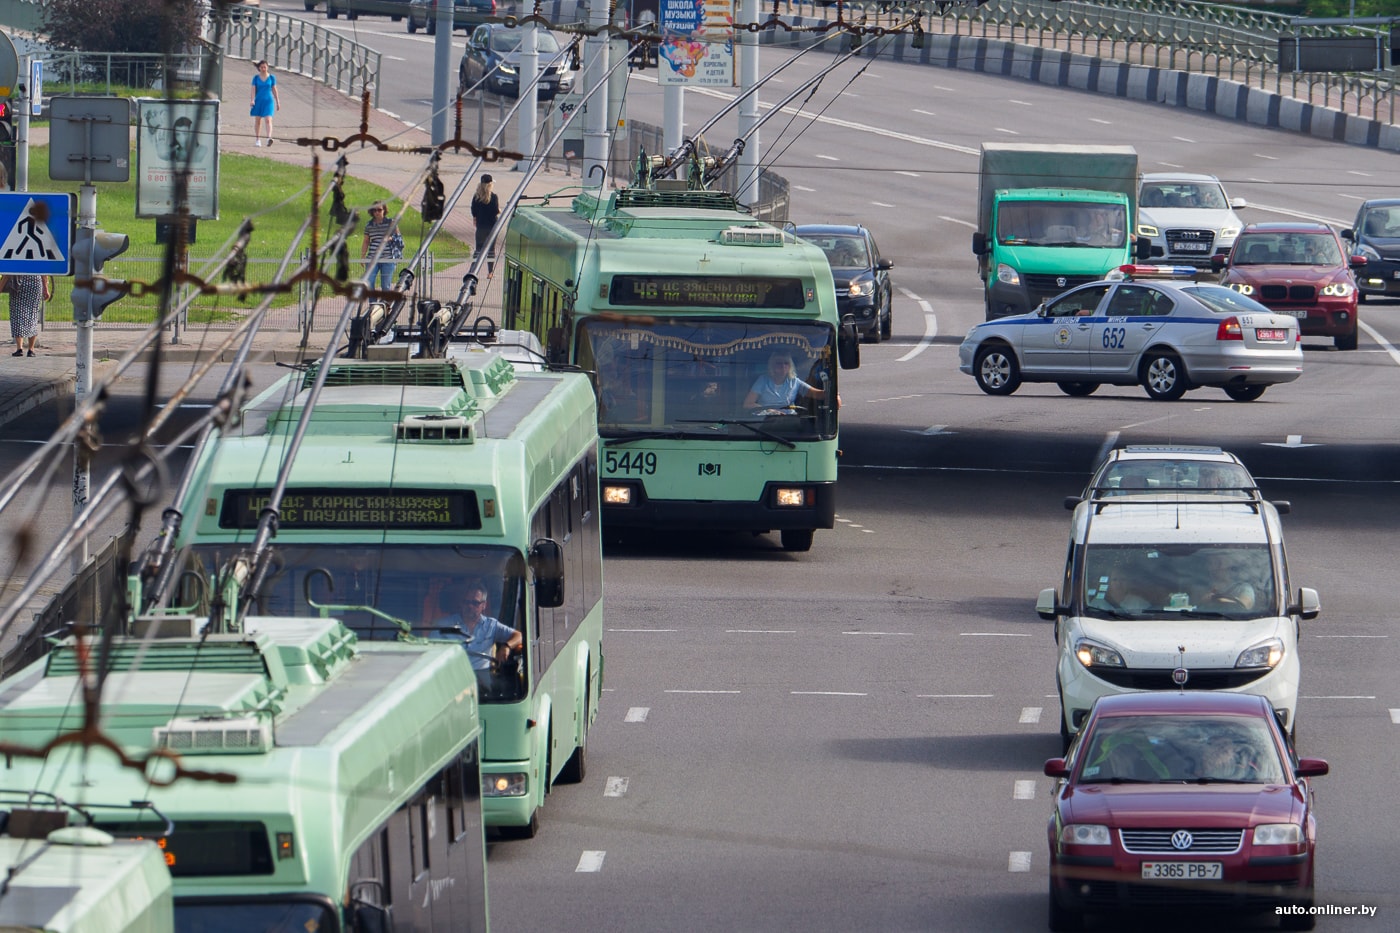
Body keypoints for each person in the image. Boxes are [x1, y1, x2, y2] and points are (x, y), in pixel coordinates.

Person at [430, 581, 522, 674]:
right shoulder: (443, 624)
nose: (470, 606)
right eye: (467, 602)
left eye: (475, 603)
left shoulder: (491, 625)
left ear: (484, 605)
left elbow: (519, 636)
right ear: (462, 604)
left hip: (482, 676)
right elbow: (431, 651)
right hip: (454, 674)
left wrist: (506, 646)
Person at [743, 352, 828, 410]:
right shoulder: (763, 380)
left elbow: (818, 394)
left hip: (788, 421)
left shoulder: (795, 382)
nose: (783, 366)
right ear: (772, 365)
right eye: (779, 363)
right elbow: (748, 404)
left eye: (786, 363)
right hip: (766, 421)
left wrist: (834, 395)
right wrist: (768, 410)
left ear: (790, 366)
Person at [1, 274, 52, 357]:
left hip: (18, 283)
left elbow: (7, 273)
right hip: (35, 283)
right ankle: (31, 349)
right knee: (33, 315)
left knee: (17, 314)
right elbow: (43, 271)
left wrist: (1, 286)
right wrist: (45, 288)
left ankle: (19, 348)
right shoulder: (38, 261)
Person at [361, 203, 402, 292]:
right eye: (374, 210)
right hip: (372, 258)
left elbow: (399, 238)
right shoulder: (369, 225)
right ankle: (373, 304)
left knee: (385, 285)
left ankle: (384, 304)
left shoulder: (391, 223)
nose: (377, 212)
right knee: (369, 283)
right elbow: (366, 241)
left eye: (379, 210)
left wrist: (391, 238)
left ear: (384, 211)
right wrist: (363, 257)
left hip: (388, 259)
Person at [470, 174, 501, 269]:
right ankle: (490, 272)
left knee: (478, 249)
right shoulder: (494, 197)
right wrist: (499, 210)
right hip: (492, 227)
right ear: (490, 184)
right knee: (491, 250)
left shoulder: (476, 197)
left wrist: (476, 218)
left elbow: (473, 211)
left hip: (481, 227)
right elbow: (495, 211)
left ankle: (473, 268)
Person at [250, 60, 280, 147]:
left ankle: (269, 138)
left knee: (268, 119)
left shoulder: (271, 78)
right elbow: (253, 90)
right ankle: (257, 139)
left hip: (268, 101)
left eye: (265, 67)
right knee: (258, 121)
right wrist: (252, 100)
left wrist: (277, 101)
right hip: (258, 101)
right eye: (262, 67)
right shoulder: (256, 78)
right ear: (259, 68)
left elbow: (274, 89)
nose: (264, 69)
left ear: (267, 67)